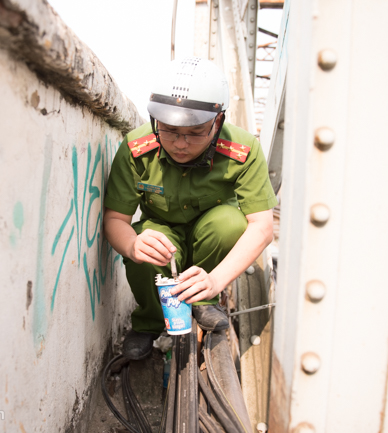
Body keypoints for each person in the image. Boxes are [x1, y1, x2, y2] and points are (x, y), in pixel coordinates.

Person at [103, 57, 277, 360]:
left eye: (196, 132)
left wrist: (216, 280)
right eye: (169, 130)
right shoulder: (136, 147)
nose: (180, 143)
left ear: (218, 121)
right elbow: (115, 219)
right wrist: (132, 244)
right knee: (145, 236)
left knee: (230, 224)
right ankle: (149, 322)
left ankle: (204, 301)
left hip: (211, 234)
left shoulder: (244, 150)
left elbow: (262, 228)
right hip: (164, 231)